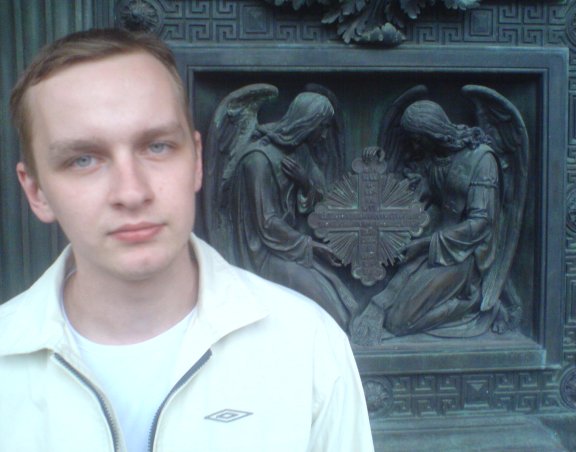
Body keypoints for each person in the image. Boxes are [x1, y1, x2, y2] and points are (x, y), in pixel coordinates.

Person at [0, 28, 374, 452]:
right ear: (36, 192)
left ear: (196, 161)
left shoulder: (309, 346)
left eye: (157, 147)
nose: (131, 192)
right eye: (83, 159)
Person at [353, 100, 501, 342]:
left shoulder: (481, 159)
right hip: (433, 245)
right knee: (384, 296)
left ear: (433, 133)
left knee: (397, 321)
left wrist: (425, 245)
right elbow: (424, 201)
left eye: (418, 139)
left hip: (464, 254)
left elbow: (481, 223)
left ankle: (473, 306)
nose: (415, 145)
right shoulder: (436, 159)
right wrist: (375, 170)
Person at [217, 92, 357, 330]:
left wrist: (306, 184)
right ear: (307, 123)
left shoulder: (299, 152)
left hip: (289, 247)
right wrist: (312, 247)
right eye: (322, 127)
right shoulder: (257, 160)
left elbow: (324, 198)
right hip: (261, 255)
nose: (324, 135)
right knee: (331, 311)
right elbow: (267, 223)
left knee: (342, 302)